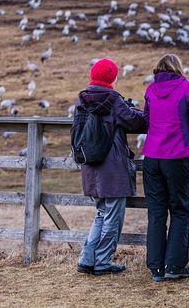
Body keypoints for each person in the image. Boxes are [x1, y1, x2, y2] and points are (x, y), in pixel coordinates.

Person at [75, 58, 146, 276]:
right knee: (112, 216)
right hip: (112, 167)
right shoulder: (113, 100)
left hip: (90, 164)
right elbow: (136, 122)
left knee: (101, 212)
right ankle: (103, 262)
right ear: (112, 77)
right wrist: (134, 109)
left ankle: (87, 259)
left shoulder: (82, 99)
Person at [142, 54, 189, 282]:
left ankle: (156, 267)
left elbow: (146, 117)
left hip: (151, 154)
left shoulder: (151, 89)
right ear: (178, 68)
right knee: (179, 209)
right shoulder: (185, 87)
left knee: (156, 210)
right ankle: (175, 265)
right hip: (176, 153)